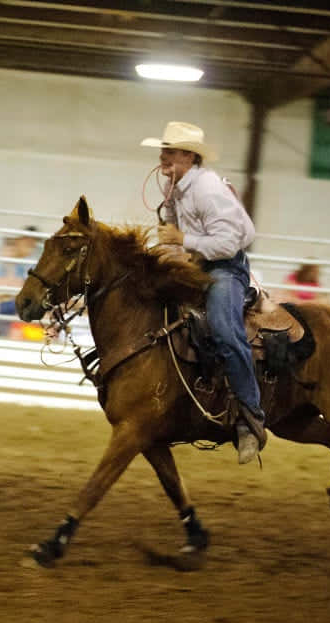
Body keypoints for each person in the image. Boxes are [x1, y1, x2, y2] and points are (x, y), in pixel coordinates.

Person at [141, 120, 265, 464]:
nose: (162, 157)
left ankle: (251, 416)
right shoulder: (177, 189)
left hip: (225, 267)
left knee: (226, 330)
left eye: (169, 151)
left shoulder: (207, 189)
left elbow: (228, 243)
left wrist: (183, 241)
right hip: (198, 265)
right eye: (163, 151)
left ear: (188, 156)